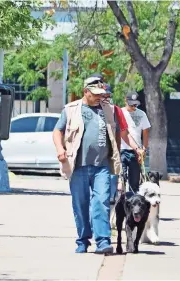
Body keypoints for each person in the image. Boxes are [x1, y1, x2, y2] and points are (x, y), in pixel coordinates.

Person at [52, 75, 122, 254]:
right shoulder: (70, 110)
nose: (99, 97)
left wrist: (116, 157)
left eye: (101, 93)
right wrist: (60, 150)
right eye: (95, 94)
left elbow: (117, 135)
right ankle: (83, 240)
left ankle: (103, 241)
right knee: (80, 205)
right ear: (85, 92)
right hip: (78, 166)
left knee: (101, 201)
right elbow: (57, 131)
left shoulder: (110, 110)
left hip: (102, 166)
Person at [101, 83, 143, 200]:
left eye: (107, 96)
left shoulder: (116, 111)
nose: (105, 99)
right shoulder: (83, 109)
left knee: (108, 196)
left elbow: (125, 134)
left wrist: (138, 149)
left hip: (111, 158)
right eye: (102, 96)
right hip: (89, 162)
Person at [120, 92, 151, 192]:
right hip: (121, 149)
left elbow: (146, 133)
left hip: (136, 152)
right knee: (121, 179)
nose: (134, 106)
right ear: (125, 101)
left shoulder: (141, 114)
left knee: (135, 181)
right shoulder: (120, 113)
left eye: (135, 104)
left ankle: (133, 203)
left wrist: (144, 149)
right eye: (131, 104)